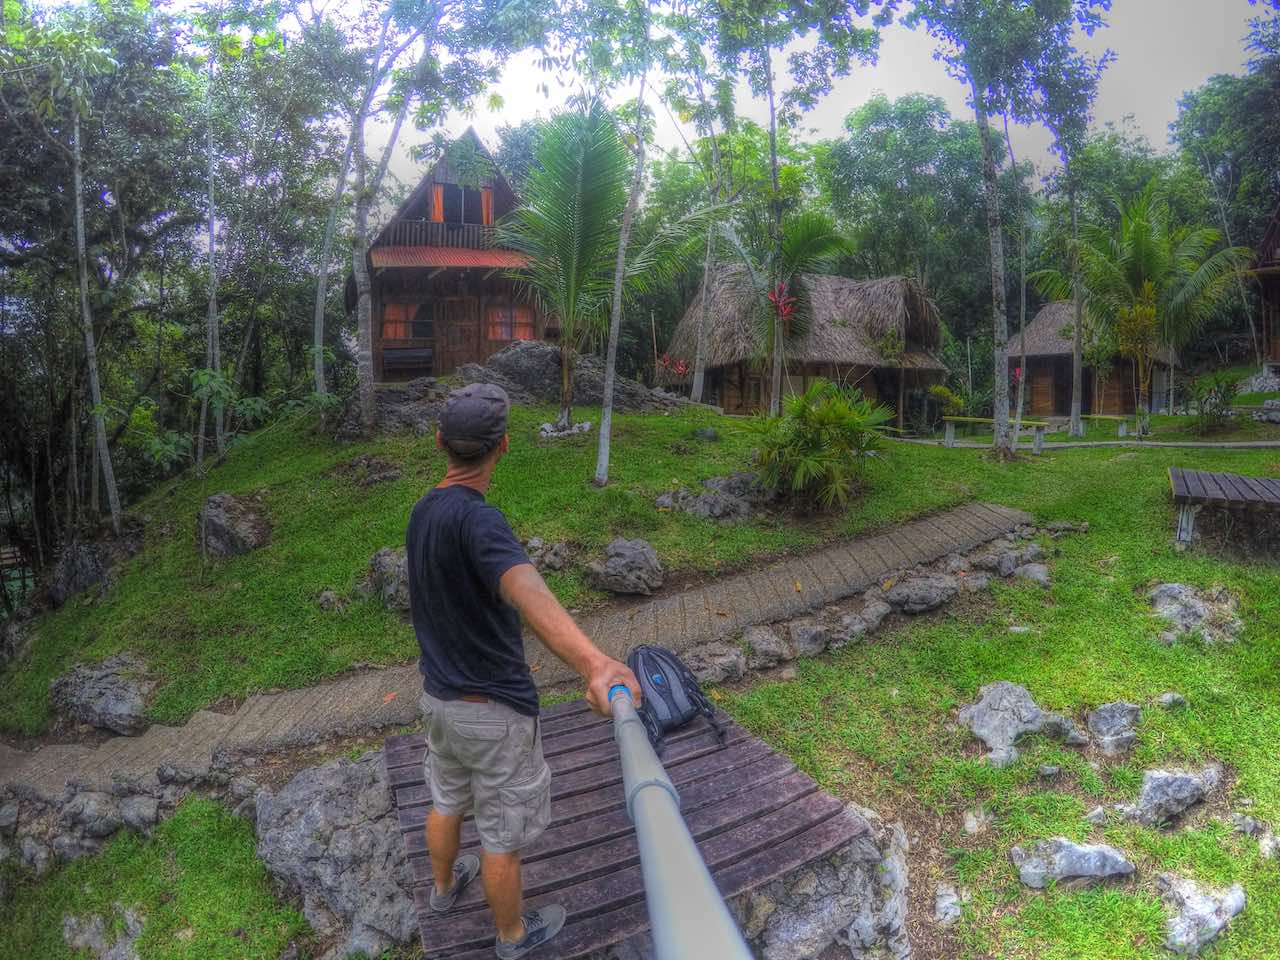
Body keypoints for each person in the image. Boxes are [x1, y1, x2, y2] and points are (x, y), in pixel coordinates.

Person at [406, 383, 641, 959]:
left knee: (445, 801)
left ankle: (442, 890)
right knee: (501, 836)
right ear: (504, 446)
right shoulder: (480, 521)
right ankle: (512, 937)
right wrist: (594, 662)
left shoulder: (422, 511)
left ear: (439, 442)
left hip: (438, 701)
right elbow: (526, 588)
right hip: (492, 714)